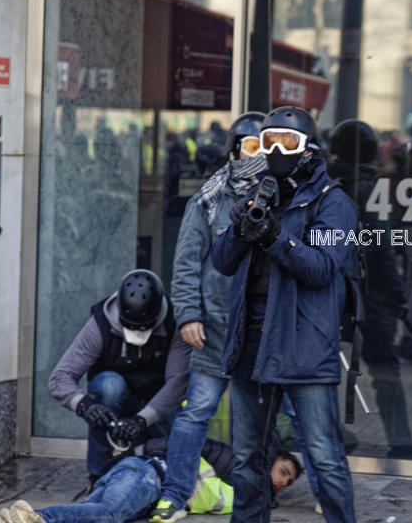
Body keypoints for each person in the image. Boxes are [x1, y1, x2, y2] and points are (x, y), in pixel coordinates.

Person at [212, 105, 358, 523]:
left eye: (288, 142)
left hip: (304, 346)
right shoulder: (254, 194)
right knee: (246, 458)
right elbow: (221, 261)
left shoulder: (335, 204)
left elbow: (321, 268)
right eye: (268, 140)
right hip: (250, 342)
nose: (276, 150)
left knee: (325, 457)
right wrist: (243, 226)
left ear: (309, 149)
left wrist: (277, 236)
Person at [148, 112, 269, 523]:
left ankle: (273, 495)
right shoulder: (209, 199)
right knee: (196, 411)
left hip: (263, 330)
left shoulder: (285, 197)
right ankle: (177, 494)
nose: (259, 157)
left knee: (280, 416)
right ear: (235, 149)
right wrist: (188, 316)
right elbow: (185, 263)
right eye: (251, 148)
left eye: (266, 149)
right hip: (215, 329)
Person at [327, 119, 412, 459]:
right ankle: (403, 443)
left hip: (333, 292)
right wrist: (398, 297)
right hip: (371, 293)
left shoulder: (326, 184)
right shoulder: (367, 188)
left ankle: (332, 434)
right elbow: (380, 248)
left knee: (322, 371)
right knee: (385, 372)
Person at [48, 269, 190, 484]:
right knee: (109, 385)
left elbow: (177, 383)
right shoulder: (100, 324)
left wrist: (141, 420)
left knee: (182, 448)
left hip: (158, 403)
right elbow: (60, 378)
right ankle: (98, 476)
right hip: (115, 399)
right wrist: (85, 406)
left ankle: (170, 482)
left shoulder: (175, 323)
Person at [0, 437, 303, 523]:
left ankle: (19, 519)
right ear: (271, 459)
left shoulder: (245, 491)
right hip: (148, 474)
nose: (282, 482)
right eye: (284, 472)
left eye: (288, 483)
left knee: (92, 516)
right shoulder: (229, 459)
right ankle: (36, 518)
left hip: (133, 475)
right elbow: (176, 446)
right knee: (110, 515)